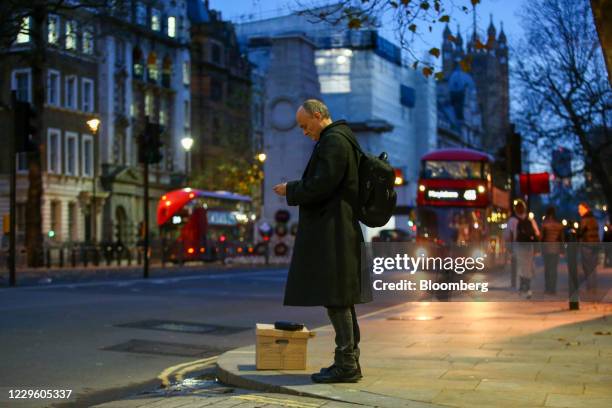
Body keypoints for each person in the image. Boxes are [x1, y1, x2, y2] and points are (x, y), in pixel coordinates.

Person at [272, 99, 371, 383]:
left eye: (305, 126)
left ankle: (347, 365)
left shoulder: (334, 141)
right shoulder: (341, 139)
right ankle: (348, 361)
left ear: (318, 116)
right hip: (339, 226)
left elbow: (322, 184)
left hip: (334, 229)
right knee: (341, 297)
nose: (304, 132)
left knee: (337, 298)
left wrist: (290, 189)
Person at [506, 199, 540, 298]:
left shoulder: (512, 220)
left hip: (518, 246)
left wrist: (510, 248)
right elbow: (537, 233)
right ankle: (528, 288)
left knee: (520, 267)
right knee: (528, 267)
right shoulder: (530, 220)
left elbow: (508, 235)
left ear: (515, 210)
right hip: (529, 246)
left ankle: (522, 287)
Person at [540, 206, 564, 294]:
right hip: (556, 249)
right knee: (554, 269)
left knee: (547, 268)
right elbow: (561, 239)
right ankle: (553, 288)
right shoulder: (559, 225)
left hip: (546, 249)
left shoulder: (544, 224)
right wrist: (562, 250)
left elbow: (541, 237)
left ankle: (547, 288)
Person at [577, 202, 600, 292]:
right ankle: (593, 286)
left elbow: (581, 232)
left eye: (580, 208)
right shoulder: (593, 219)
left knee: (587, 266)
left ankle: (590, 287)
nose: (579, 211)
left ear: (585, 209)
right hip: (595, 245)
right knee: (593, 266)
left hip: (587, 245)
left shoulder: (584, 219)